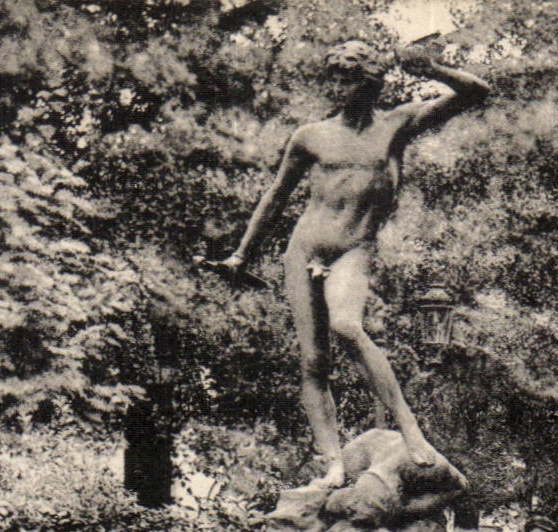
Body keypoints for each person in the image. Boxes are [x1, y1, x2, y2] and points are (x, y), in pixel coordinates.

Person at [210, 40, 490, 488]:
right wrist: (242, 253)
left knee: (346, 325)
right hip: (304, 249)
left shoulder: (398, 123)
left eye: (351, 78)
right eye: (336, 78)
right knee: (313, 362)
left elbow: (477, 92)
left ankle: (409, 426)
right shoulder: (311, 136)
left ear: (372, 82)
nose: (341, 87)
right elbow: (276, 196)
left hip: (354, 248)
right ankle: (333, 464)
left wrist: (434, 68)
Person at [321, 428, 468, 532]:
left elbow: (461, 488)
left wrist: (403, 516)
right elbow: (362, 505)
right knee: (345, 501)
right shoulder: (356, 466)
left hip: (402, 471)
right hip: (375, 463)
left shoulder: (433, 471)